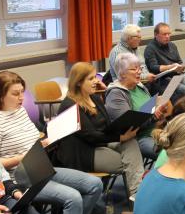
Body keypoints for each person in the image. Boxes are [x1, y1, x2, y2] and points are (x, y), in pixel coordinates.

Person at [0, 71, 103, 214]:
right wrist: (23, 157)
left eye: (22, 92)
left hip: (41, 167)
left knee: (95, 185)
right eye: (15, 94)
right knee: (73, 198)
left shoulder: (20, 112)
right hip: (21, 177)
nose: (21, 97)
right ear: (0, 95)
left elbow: (32, 141)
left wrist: (46, 142)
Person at [53, 62, 145, 199]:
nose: (96, 81)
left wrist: (122, 132)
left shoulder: (95, 98)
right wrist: (120, 138)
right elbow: (90, 136)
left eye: (95, 77)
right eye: (90, 79)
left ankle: (137, 195)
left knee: (131, 144)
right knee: (129, 163)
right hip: (84, 151)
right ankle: (137, 196)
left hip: (101, 142)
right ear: (78, 82)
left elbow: (107, 126)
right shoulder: (70, 105)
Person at [105, 53, 172, 160]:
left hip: (156, 130)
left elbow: (149, 110)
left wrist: (159, 110)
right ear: (122, 74)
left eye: (139, 68)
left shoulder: (140, 86)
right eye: (134, 69)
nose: (139, 72)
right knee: (171, 155)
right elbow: (128, 126)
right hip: (138, 138)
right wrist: (153, 116)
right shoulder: (116, 94)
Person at [143, 22, 185, 102]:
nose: (167, 36)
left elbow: (179, 61)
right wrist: (171, 67)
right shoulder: (150, 49)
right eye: (164, 34)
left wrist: (181, 67)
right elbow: (153, 67)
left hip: (176, 76)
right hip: (162, 80)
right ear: (156, 35)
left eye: (169, 34)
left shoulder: (172, 45)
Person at [108, 24, 157, 90]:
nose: (140, 40)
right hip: (127, 88)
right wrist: (146, 77)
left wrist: (148, 75)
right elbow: (123, 76)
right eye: (138, 37)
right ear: (129, 38)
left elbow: (143, 66)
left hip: (143, 84)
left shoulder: (136, 49)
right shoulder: (117, 52)